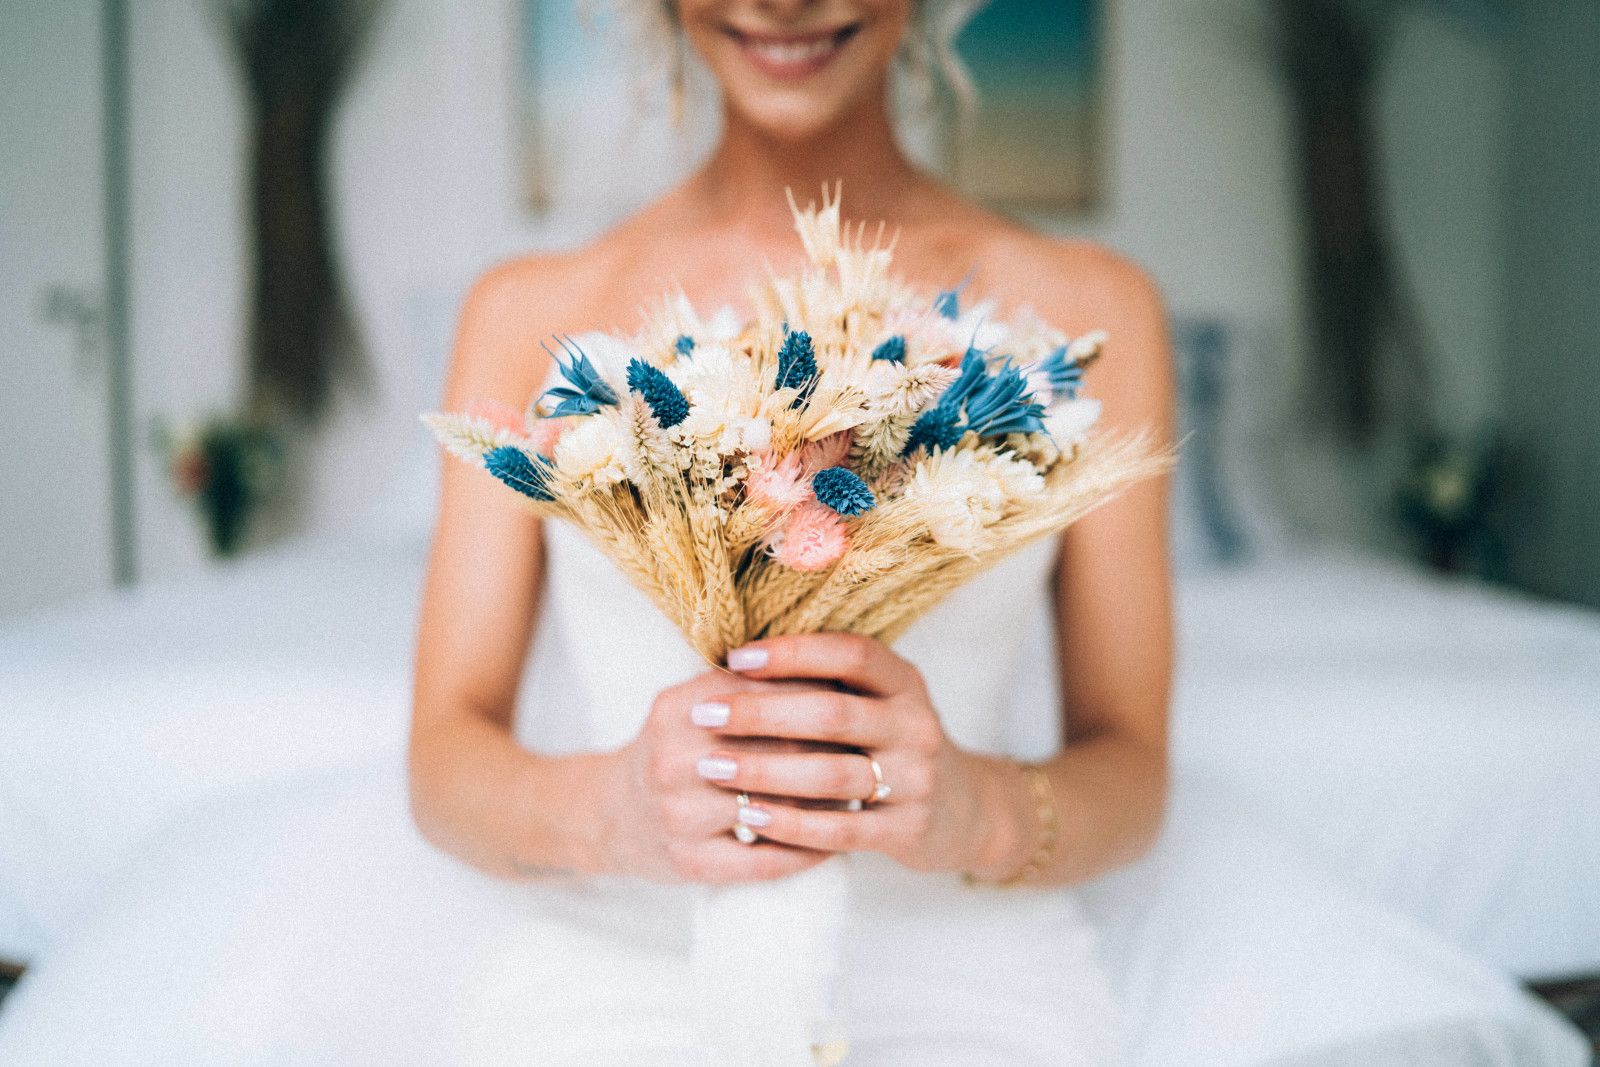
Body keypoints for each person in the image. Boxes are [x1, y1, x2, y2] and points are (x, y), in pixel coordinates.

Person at [0, 2, 1585, 1064]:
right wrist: (620, 812)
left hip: (973, 956)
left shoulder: (1089, 314)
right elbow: (446, 754)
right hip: (609, 949)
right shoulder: (531, 318)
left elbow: (1129, 764)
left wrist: (963, 808)